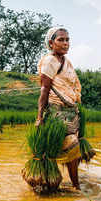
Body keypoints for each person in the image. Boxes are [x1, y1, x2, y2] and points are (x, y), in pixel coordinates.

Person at [36, 27, 88, 190]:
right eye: (61, 40)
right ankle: (75, 186)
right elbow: (44, 89)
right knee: (71, 148)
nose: (65, 43)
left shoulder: (67, 62)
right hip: (56, 112)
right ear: (51, 43)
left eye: (67, 40)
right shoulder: (50, 61)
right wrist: (39, 117)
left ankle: (71, 184)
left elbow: (72, 86)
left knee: (72, 149)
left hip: (71, 113)